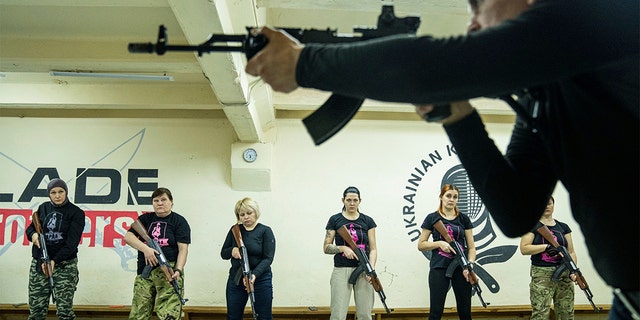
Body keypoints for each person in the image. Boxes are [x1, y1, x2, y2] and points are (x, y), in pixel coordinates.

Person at [244, 0, 639, 317]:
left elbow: (431, 65)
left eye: (477, 6)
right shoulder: (546, 98)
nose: (471, 25)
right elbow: (516, 211)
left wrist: (303, 63)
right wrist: (459, 117)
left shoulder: (592, 12)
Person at [125, 187, 191, 320]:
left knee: (169, 313)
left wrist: (178, 269)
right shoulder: (145, 219)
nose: (159, 203)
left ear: (171, 202)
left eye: (163, 200)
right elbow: (128, 237)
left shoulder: (179, 221)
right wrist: (146, 249)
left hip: (169, 270)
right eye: (156, 200)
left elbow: (183, 249)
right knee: (138, 313)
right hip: (145, 270)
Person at [25, 178, 86, 320]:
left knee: (65, 311)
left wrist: (54, 260)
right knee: (36, 311)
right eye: (53, 192)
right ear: (49, 194)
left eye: (60, 191)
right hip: (40, 264)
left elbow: (72, 244)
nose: (57, 195)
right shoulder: (43, 208)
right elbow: (30, 228)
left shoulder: (76, 213)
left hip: (65, 265)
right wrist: (33, 235)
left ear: (66, 192)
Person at [417, 184, 475, 320]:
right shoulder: (432, 218)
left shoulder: (464, 219)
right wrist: (439, 243)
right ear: (441, 197)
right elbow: (421, 244)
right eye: (448, 196)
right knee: (436, 311)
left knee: (465, 311)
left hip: (462, 268)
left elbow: (471, 248)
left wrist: (470, 264)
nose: (451, 199)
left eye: (455, 197)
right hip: (439, 267)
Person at [323, 186, 377, 320]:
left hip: (363, 270)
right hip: (342, 269)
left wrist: (371, 269)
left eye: (355, 200)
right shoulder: (335, 220)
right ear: (343, 200)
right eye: (348, 200)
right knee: (338, 314)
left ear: (360, 201)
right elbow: (326, 247)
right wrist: (341, 248)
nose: (352, 203)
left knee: (365, 314)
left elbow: (374, 248)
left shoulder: (368, 221)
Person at [519, 196, 578, 320]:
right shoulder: (533, 226)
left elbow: (571, 252)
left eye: (549, 203)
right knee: (540, 313)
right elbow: (524, 248)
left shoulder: (563, 227)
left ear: (553, 205)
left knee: (566, 312)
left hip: (564, 273)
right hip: (542, 274)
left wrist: (574, 271)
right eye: (543, 204)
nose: (547, 206)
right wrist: (545, 247)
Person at [221, 197, 276, 320]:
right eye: (242, 214)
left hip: (261, 280)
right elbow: (223, 253)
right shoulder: (234, 230)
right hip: (236, 280)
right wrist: (232, 250)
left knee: (264, 317)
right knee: (233, 316)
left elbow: (268, 258)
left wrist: (254, 275)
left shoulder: (265, 231)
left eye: (249, 213)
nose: (246, 217)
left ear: (256, 212)